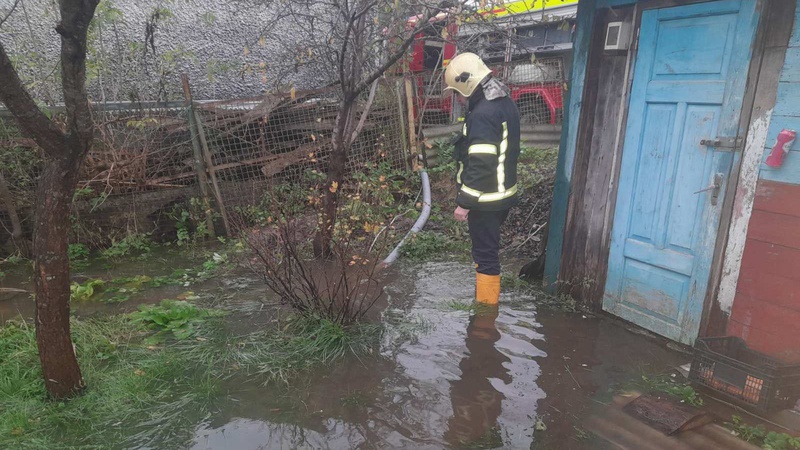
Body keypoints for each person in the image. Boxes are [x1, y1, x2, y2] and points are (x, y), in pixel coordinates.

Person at [444, 52, 521, 305]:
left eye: (457, 92)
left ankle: (485, 318)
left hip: (486, 200)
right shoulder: (503, 101)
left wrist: (464, 203)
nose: (457, 97)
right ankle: (486, 309)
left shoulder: (483, 114)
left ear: (467, 84)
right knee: (488, 252)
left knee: (485, 256)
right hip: (503, 194)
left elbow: (481, 164)